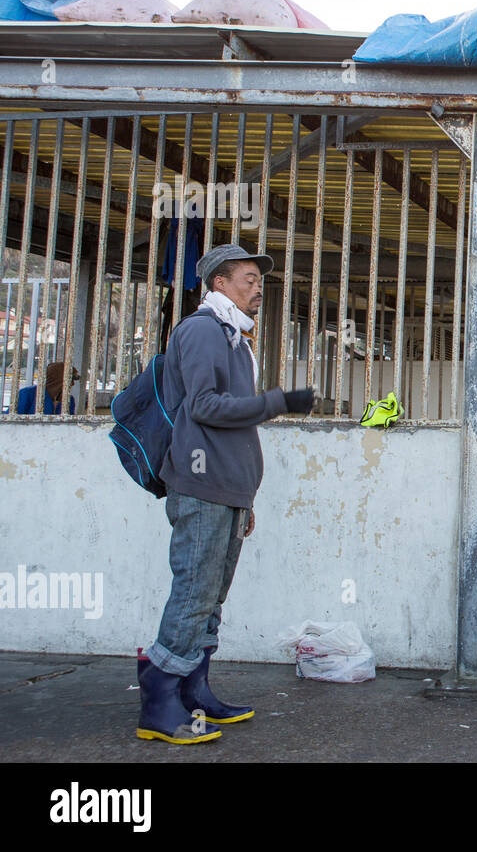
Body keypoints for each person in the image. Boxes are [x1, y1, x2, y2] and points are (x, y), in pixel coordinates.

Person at [137, 244, 315, 745]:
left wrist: (246, 497)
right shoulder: (201, 332)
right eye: (247, 279)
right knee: (193, 595)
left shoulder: (235, 338)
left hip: (229, 489)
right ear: (219, 284)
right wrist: (278, 402)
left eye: (260, 281)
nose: (258, 288)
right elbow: (207, 407)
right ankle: (158, 700)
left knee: (211, 599)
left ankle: (195, 692)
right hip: (200, 485)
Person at [14, 362, 78, 415]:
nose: (72, 384)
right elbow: (11, 421)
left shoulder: (69, 400)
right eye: (70, 380)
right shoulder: (27, 394)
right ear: (57, 380)